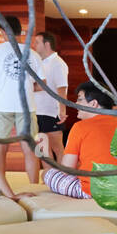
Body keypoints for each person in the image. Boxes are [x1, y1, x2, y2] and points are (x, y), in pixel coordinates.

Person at [44, 82, 117, 198]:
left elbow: (67, 169)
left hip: (95, 192)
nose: (76, 103)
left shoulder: (80, 127)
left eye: (80, 99)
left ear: (94, 103)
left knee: (48, 174)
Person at [0, 14, 43, 183]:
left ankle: (1, 187)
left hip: (0, 106)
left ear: (2, 31)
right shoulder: (33, 53)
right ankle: (34, 186)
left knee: (0, 148)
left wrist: (0, 85)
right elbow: (42, 85)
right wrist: (27, 87)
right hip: (27, 106)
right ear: (19, 31)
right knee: (30, 149)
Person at [33, 31, 69, 159]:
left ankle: (63, 178)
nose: (34, 45)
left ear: (46, 44)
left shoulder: (57, 63)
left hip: (51, 112)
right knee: (41, 150)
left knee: (57, 148)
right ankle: (49, 178)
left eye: (37, 42)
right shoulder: (39, 62)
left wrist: (62, 111)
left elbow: (62, 88)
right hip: (37, 111)